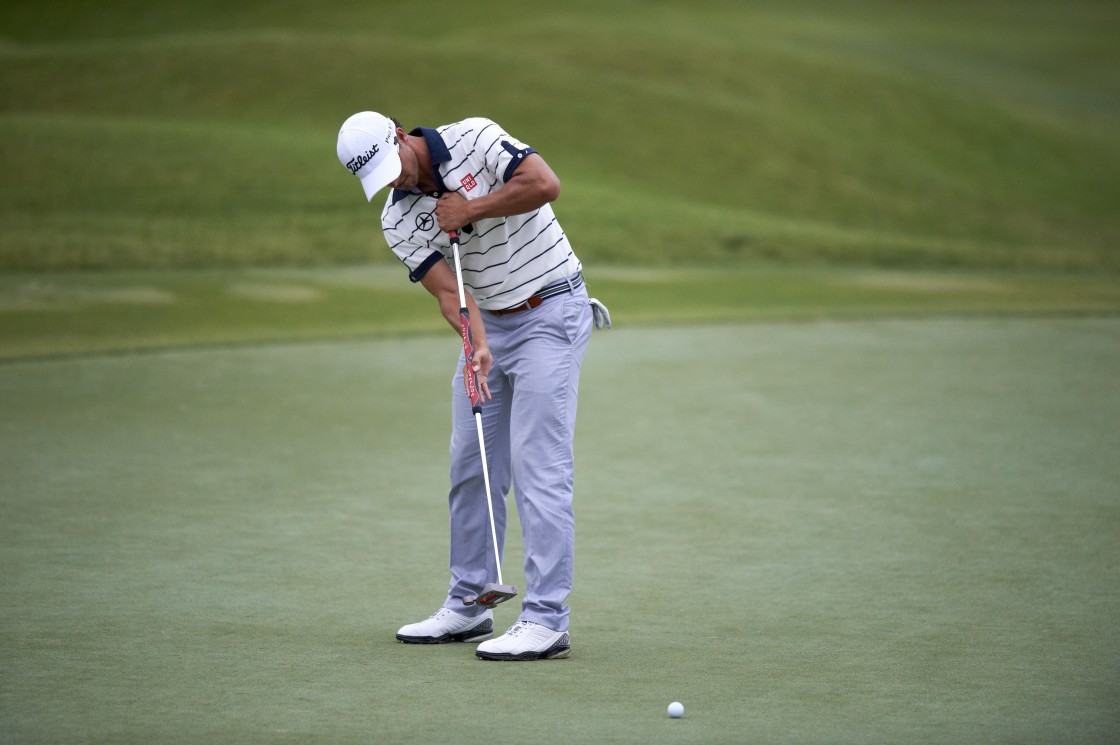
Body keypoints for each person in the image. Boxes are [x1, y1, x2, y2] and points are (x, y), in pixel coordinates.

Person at [337, 112, 609, 661]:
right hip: (492, 327)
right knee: (470, 462)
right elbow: (447, 293)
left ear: (398, 134)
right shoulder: (399, 220)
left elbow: (544, 184)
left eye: (395, 166)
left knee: (538, 464)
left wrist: (470, 208)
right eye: (382, 179)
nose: (396, 182)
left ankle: (547, 618)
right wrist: (476, 342)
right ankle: (469, 602)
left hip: (551, 309)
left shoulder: (476, 137)